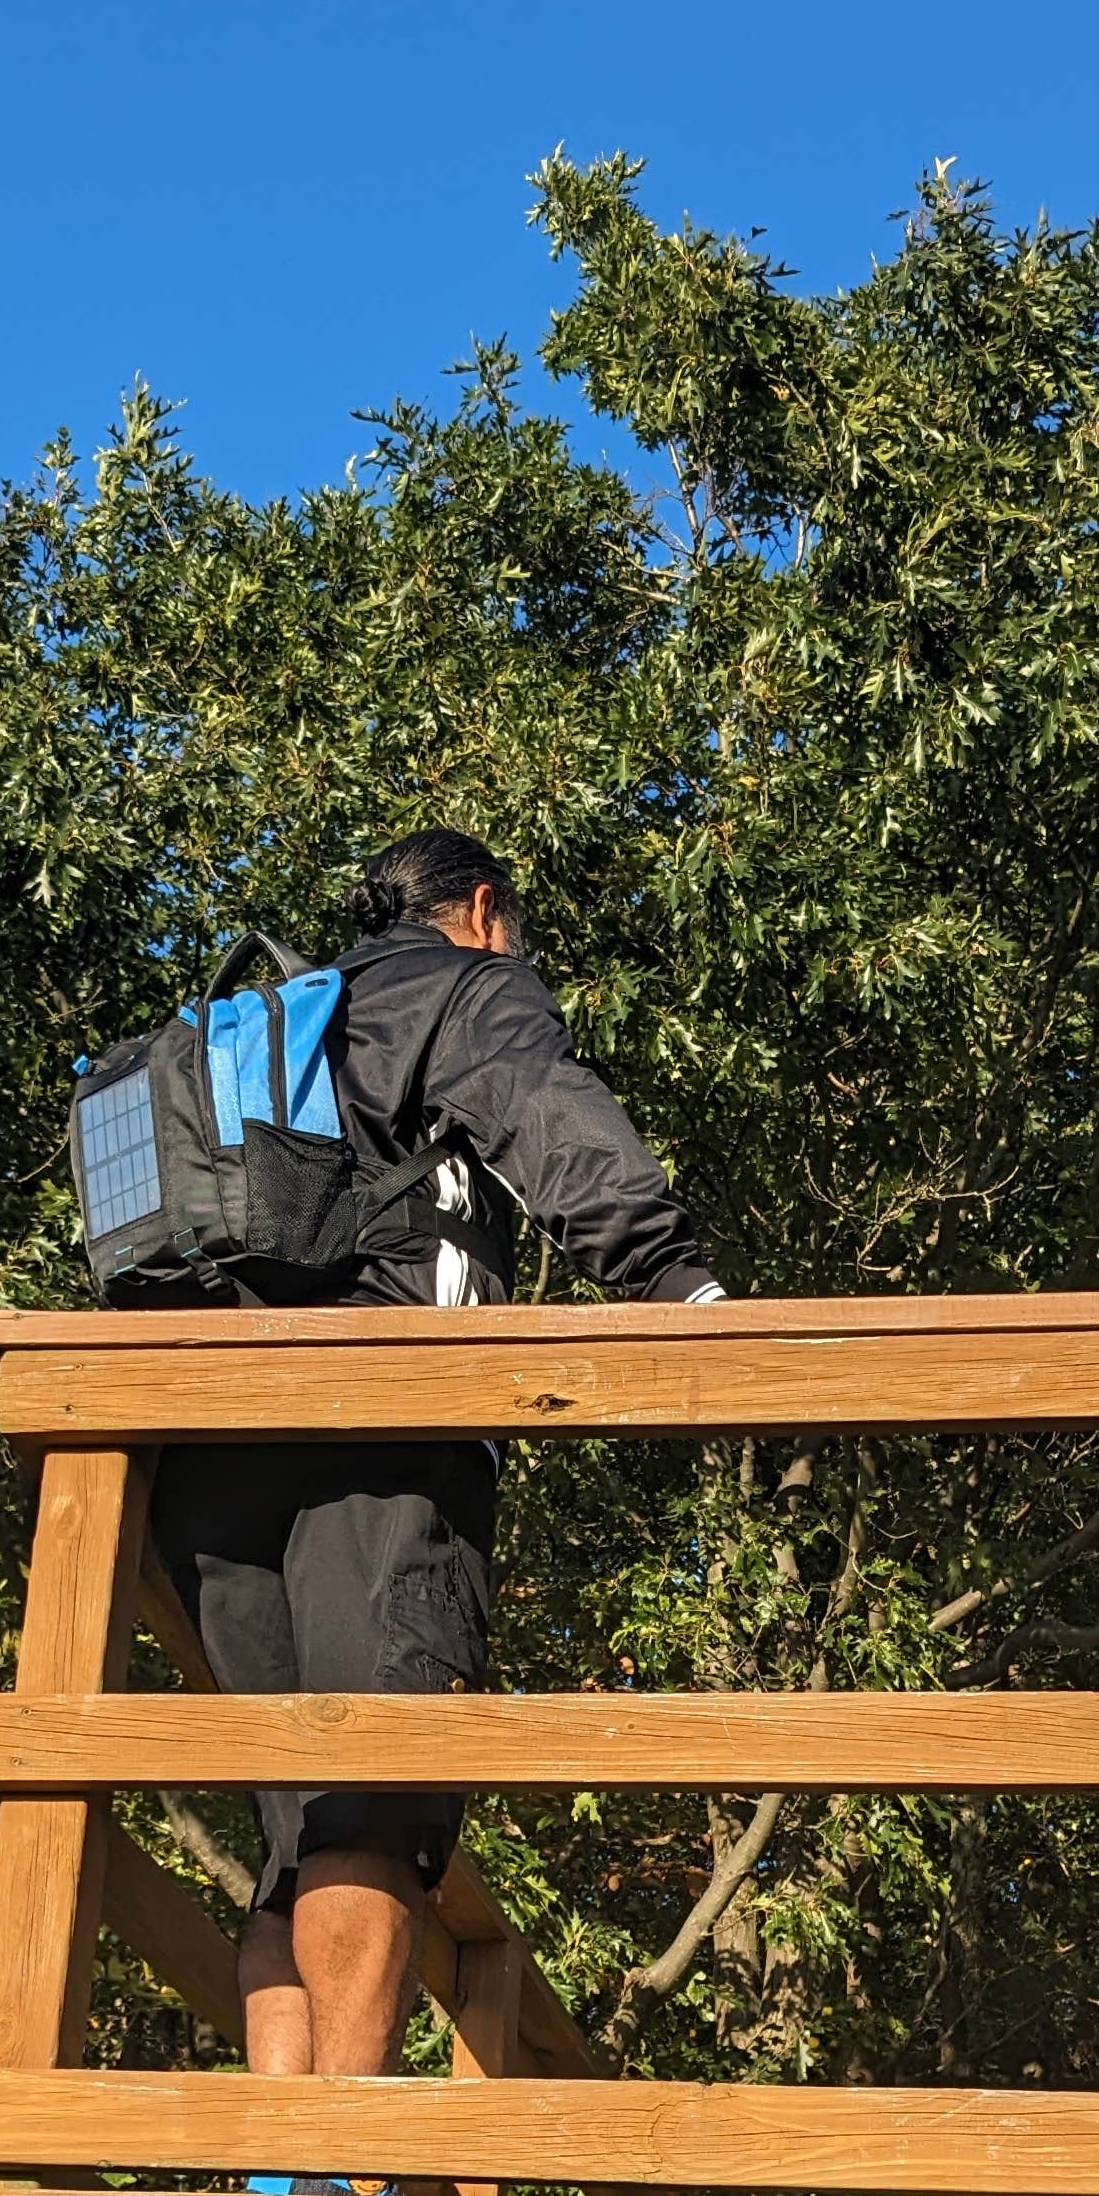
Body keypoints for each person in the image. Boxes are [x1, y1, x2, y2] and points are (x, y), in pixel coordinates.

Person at [147, 829, 723, 2121]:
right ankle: (340, 2178)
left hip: (203, 1452)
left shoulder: (274, 1025)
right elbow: (544, 1111)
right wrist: (679, 1283)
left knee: (294, 1835)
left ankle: (281, 2179)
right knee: (370, 1814)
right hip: (383, 1434)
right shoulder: (459, 984)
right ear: (480, 909)